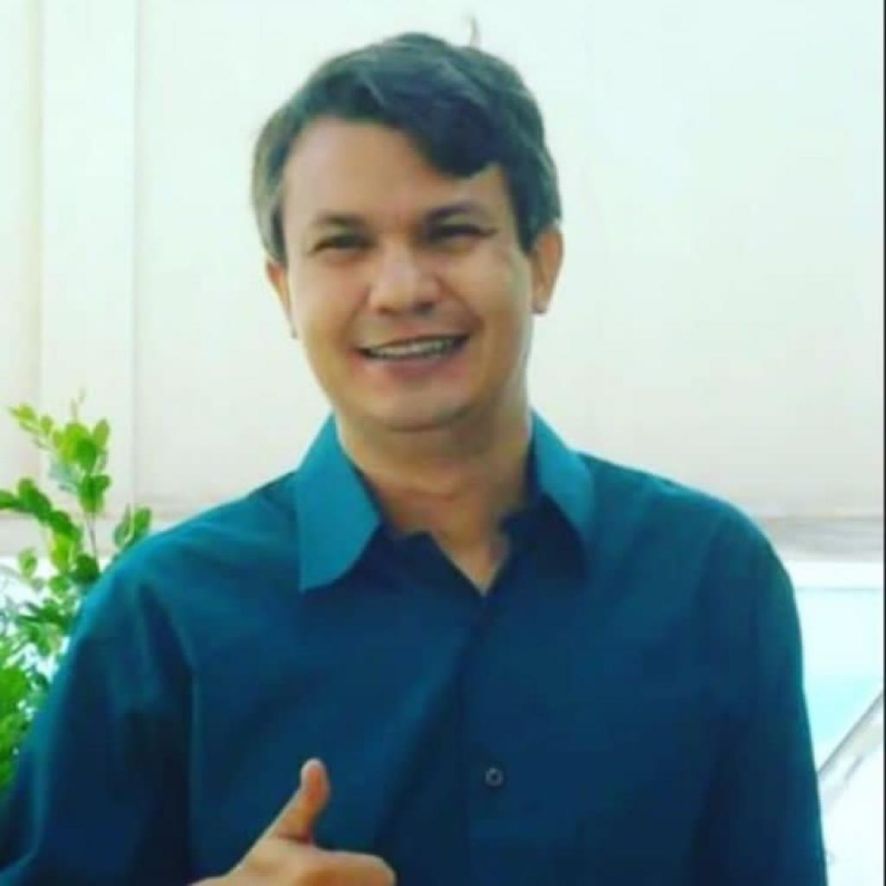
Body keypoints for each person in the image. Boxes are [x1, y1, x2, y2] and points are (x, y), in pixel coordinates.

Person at [0, 31, 826, 885]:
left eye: (450, 232)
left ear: (542, 264)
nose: (400, 290)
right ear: (285, 290)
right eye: (343, 245)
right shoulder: (164, 616)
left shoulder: (709, 580)